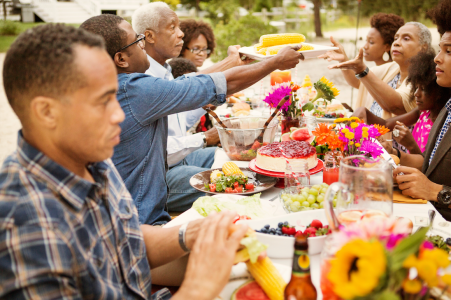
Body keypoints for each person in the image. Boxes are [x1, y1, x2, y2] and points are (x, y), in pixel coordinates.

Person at [0, 23, 250, 299]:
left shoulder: (90, 161)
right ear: (46, 112)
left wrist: (189, 233)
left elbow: (126, 240)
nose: (118, 115)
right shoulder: (24, 226)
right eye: (102, 101)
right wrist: (198, 288)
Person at [81, 15, 304, 225]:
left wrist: (234, 63)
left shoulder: (102, 88)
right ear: (120, 59)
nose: (142, 46)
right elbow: (214, 85)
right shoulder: (134, 89)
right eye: (137, 41)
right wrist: (275, 62)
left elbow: (193, 82)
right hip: (144, 223)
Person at [131, 3, 251, 214]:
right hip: (159, 173)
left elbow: (183, 118)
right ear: (149, 36)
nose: (181, 34)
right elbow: (163, 153)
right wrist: (204, 138)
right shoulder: (145, 79)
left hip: (177, 159)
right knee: (229, 182)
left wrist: (215, 97)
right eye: (172, 28)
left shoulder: (164, 70)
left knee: (237, 157)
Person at [392, 0, 451, 221]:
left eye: (449, 51)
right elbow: (431, 163)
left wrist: (435, 191)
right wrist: (397, 157)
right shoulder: (447, 108)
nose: (437, 58)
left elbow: (433, 186)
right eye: (441, 49)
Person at [329, 22, 432, 120]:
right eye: (396, 38)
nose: (396, 43)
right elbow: (359, 82)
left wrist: (362, 70)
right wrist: (343, 59)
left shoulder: (425, 77)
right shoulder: (392, 68)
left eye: (406, 38)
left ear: (424, 47)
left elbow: (396, 105)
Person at [355, 50, 451, 154]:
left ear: (440, 92)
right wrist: (364, 111)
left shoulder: (444, 123)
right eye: (416, 88)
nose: (416, 94)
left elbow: (428, 166)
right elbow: (385, 124)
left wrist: (410, 144)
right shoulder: (422, 112)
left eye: (423, 89)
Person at [319, 13, 405, 113]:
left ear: (387, 46)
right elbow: (359, 82)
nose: (365, 46)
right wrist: (343, 59)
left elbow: (359, 81)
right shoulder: (376, 70)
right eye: (366, 41)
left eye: (371, 42)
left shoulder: (394, 73)